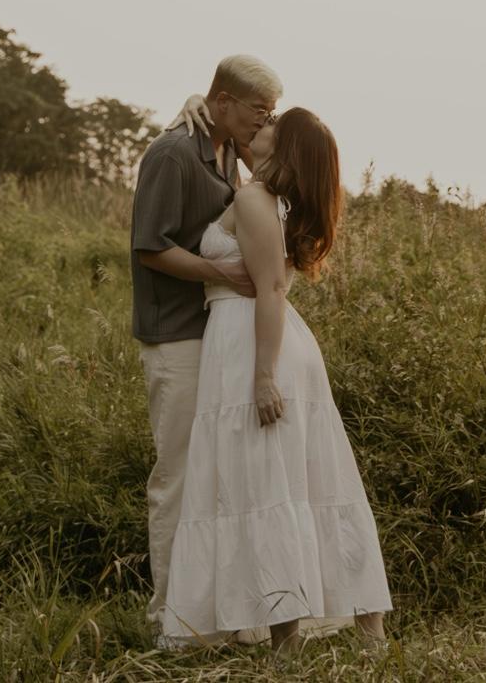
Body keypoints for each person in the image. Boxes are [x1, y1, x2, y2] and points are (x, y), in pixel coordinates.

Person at [159, 106, 392, 656]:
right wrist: (195, 104)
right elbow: (225, 132)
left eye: (269, 126)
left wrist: (263, 376)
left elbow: (272, 289)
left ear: (282, 148)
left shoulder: (254, 200)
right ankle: (349, 634)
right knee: (299, 483)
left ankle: (297, 642)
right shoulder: (267, 196)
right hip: (258, 339)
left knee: (270, 485)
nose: (258, 128)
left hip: (256, 343)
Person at [130, 54, 282, 641]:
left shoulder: (225, 150)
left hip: (217, 336)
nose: (265, 119)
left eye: (271, 111)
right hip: (176, 336)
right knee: (179, 477)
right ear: (223, 101)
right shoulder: (172, 153)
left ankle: (217, 612)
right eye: (259, 109)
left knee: (220, 477)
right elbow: (150, 246)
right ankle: (171, 619)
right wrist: (219, 274)